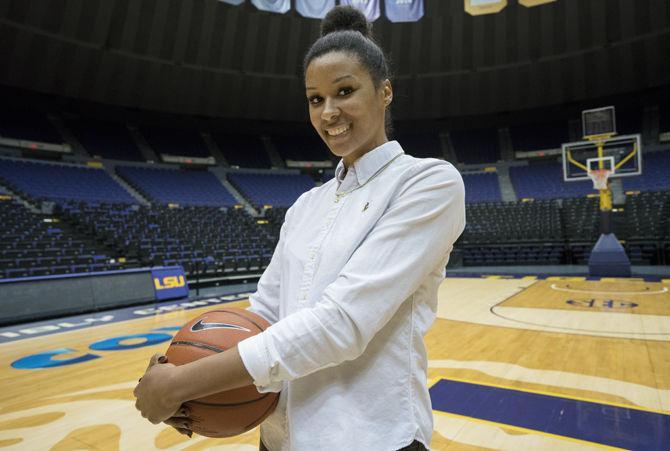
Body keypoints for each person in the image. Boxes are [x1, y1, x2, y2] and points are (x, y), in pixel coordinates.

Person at [134, 6, 465, 450]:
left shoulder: (428, 182)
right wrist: (195, 390)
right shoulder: (306, 205)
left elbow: (342, 324)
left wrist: (180, 383)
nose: (329, 112)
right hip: (280, 437)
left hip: (370, 437)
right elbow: (264, 315)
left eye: (345, 91)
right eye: (315, 98)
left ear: (385, 92)